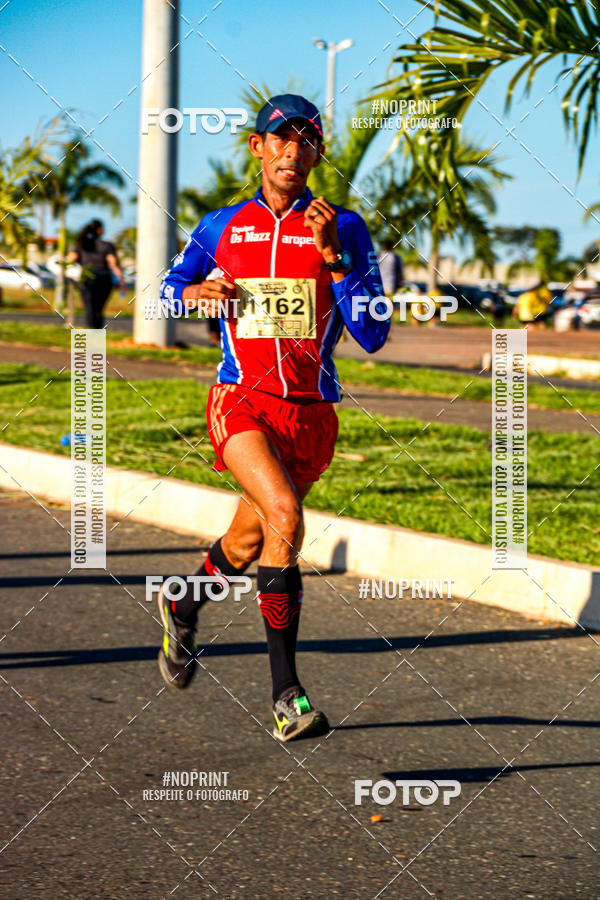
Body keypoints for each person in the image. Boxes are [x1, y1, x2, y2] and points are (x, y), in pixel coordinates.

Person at [158, 93, 389, 742]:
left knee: (247, 543)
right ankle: (287, 694)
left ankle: (183, 599)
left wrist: (334, 258)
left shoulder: (343, 226)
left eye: (305, 141)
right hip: (241, 401)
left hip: (311, 416)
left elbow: (374, 332)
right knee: (286, 517)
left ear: (318, 153)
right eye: (278, 139)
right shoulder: (219, 227)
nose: (292, 151)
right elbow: (167, 292)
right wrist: (193, 294)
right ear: (257, 147)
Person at [67, 219, 125, 328]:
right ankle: (97, 337)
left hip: (87, 279)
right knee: (99, 310)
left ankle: (92, 338)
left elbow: (70, 260)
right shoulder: (107, 246)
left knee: (89, 309)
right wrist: (121, 280)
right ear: (99, 230)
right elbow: (113, 264)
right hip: (104, 280)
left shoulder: (80, 245)